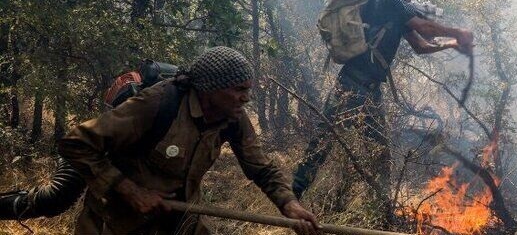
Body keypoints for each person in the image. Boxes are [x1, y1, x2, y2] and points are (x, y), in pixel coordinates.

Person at [58, 47, 321, 235]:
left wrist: (290, 205)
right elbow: (76, 143)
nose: (246, 98)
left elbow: (261, 168)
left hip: (181, 219)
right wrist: (132, 191)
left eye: (248, 90)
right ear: (210, 89)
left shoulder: (233, 117)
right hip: (117, 220)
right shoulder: (157, 104)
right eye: (239, 89)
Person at [292, 0, 474, 212]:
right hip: (351, 86)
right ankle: (292, 199)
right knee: (323, 144)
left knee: (379, 153)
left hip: (370, 92)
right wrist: (458, 32)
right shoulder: (387, 3)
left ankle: (381, 211)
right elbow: (426, 29)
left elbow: (421, 46)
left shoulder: (398, 13)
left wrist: (453, 45)